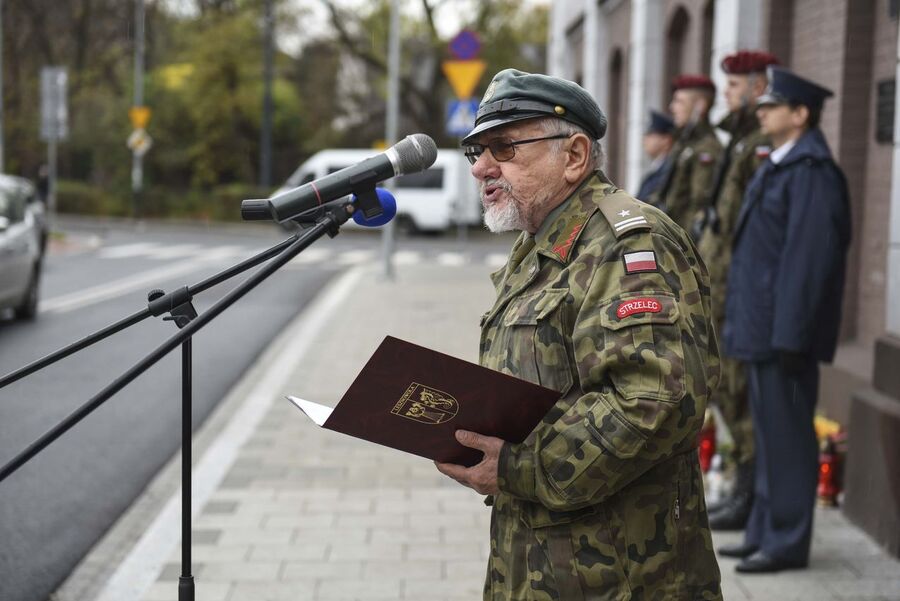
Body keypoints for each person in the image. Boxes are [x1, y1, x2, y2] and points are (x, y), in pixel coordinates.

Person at [434, 68, 723, 600]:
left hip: (620, 576)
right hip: (544, 563)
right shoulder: (540, 241)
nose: (480, 167)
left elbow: (653, 402)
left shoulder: (628, 244)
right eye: (477, 150)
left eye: (504, 147)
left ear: (574, 155)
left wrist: (516, 466)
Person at [719, 66, 851, 573]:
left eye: (773, 106)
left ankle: (787, 541)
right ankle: (764, 531)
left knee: (790, 441)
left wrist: (791, 336)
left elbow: (808, 263)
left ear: (800, 115)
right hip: (762, 329)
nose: (763, 112)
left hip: (783, 335)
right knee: (769, 438)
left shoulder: (812, 172)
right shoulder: (780, 164)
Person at [694, 50, 780, 531]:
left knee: (738, 389)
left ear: (757, 87)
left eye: (733, 85)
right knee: (726, 388)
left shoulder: (759, 144)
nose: (725, 94)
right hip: (722, 285)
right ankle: (744, 487)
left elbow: (751, 229)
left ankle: (750, 493)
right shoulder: (741, 140)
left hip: (738, 289)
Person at [648, 74, 723, 231]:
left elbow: (698, 206)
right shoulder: (684, 143)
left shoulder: (707, 149)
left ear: (700, 106)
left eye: (679, 102)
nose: (672, 107)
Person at [636, 110, 675, 201]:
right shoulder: (658, 169)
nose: (645, 139)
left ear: (666, 140)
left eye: (651, 135)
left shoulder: (668, 170)